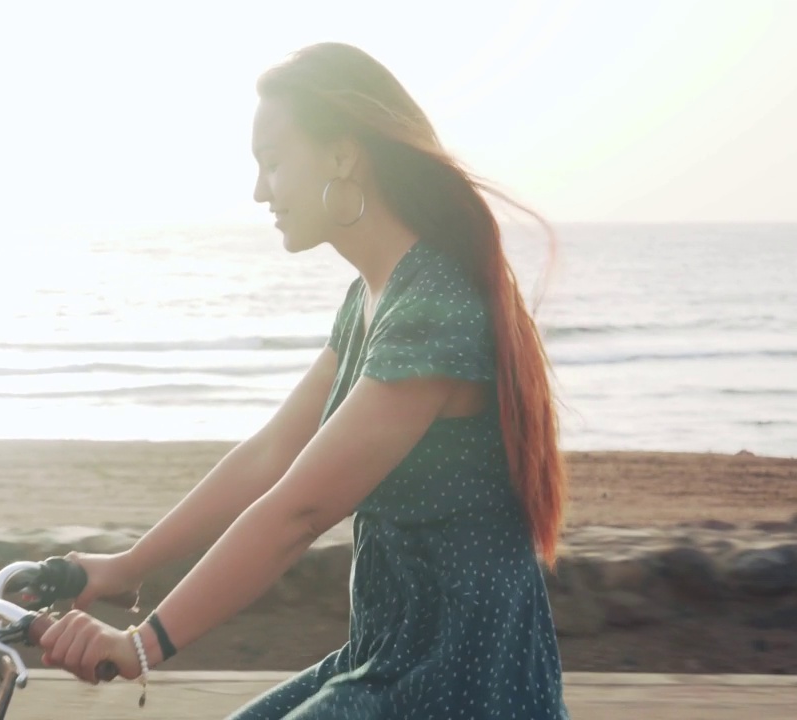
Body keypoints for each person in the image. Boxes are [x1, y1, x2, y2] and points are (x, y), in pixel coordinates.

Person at [36, 41, 571, 719]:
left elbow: (299, 512)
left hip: (464, 685)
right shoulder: (372, 300)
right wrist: (126, 566)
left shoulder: (432, 309)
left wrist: (142, 645)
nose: (261, 190)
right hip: (387, 659)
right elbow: (268, 455)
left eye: (273, 162)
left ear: (343, 156)